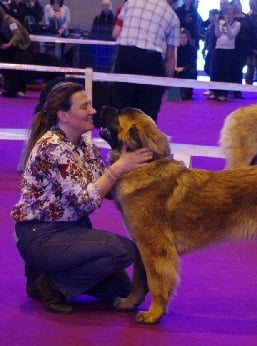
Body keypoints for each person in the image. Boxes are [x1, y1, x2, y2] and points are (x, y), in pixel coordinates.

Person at [11, 81, 153, 314]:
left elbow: (104, 187)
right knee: (124, 251)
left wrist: (151, 178)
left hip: (72, 230)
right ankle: (52, 286)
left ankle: (41, 274)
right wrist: (119, 168)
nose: (93, 111)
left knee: (121, 290)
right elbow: (85, 199)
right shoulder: (52, 148)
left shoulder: (83, 144)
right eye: (85, 106)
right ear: (64, 115)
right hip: (41, 234)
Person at [112, 0, 180, 122]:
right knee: (148, 113)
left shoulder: (131, 2)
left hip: (125, 56)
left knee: (123, 108)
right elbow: (170, 56)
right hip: (150, 62)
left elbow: (116, 33)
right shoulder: (172, 16)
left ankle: (122, 140)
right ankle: (144, 140)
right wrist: (168, 81)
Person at [208, 4, 240, 102]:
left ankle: (224, 93)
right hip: (219, 48)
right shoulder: (220, 22)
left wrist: (226, 25)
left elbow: (231, 35)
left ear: (234, 15)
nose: (228, 16)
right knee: (216, 70)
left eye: (230, 14)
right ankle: (215, 91)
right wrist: (217, 23)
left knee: (226, 72)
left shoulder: (237, 24)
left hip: (229, 50)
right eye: (226, 14)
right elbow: (217, 34)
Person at [0, 4, 30, 97]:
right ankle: (8, 89)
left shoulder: (11, 21)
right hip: (9, 49)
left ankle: (20, 90)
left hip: (21, 47)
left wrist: (9, 44)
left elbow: (17, 35)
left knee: (19, 69)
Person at [90, 0, 115, 72]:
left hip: (109, 44)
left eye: (107, 5)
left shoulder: (114, 18)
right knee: (98, 62)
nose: (106, 7)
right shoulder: (97, 18)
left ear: (110, 6)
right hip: (99, 43)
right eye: (104, 6)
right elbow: (93, 30)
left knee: (108, 62)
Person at [175, 28, 197, 100]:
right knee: (174, 97)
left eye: (184, 37)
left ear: (188, 38)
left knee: (185, 97)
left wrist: (183, 68)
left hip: (188, 71)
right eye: (181, 38)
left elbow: (192, 63)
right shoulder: (175, 49)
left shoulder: (192, 49)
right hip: (177, 70)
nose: (183, 39)